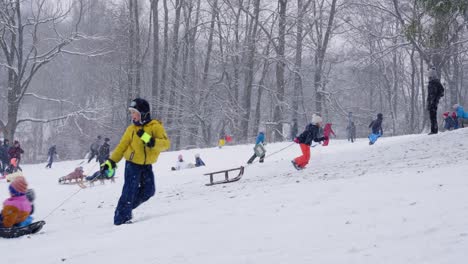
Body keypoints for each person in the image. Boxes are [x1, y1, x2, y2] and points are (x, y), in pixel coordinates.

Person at [100, 98, 170, 225]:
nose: (132, 116)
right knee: (129, 190)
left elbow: (165, 144)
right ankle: (121, 219)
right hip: (132, 165)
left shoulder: (155, 127)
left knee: (149, 191)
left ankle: (125, 209)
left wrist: (151, 140)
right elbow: (121, 147)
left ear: (143, 113)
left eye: (134, 112)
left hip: (146, 165)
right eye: (131, 113)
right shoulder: (131, 130)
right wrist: (111, 161)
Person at [427, 67, 444, 135]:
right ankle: (433, 130)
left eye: (430, 75)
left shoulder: (436, 82)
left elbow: (442, 92)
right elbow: (429, 94)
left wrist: (437, 98)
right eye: (429, 75)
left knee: (433, 116)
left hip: (434, 102)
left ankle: (434, 130)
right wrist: (428, 102)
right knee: (432, 116)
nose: (429, 77)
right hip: (431, 101)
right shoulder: (430, 83)